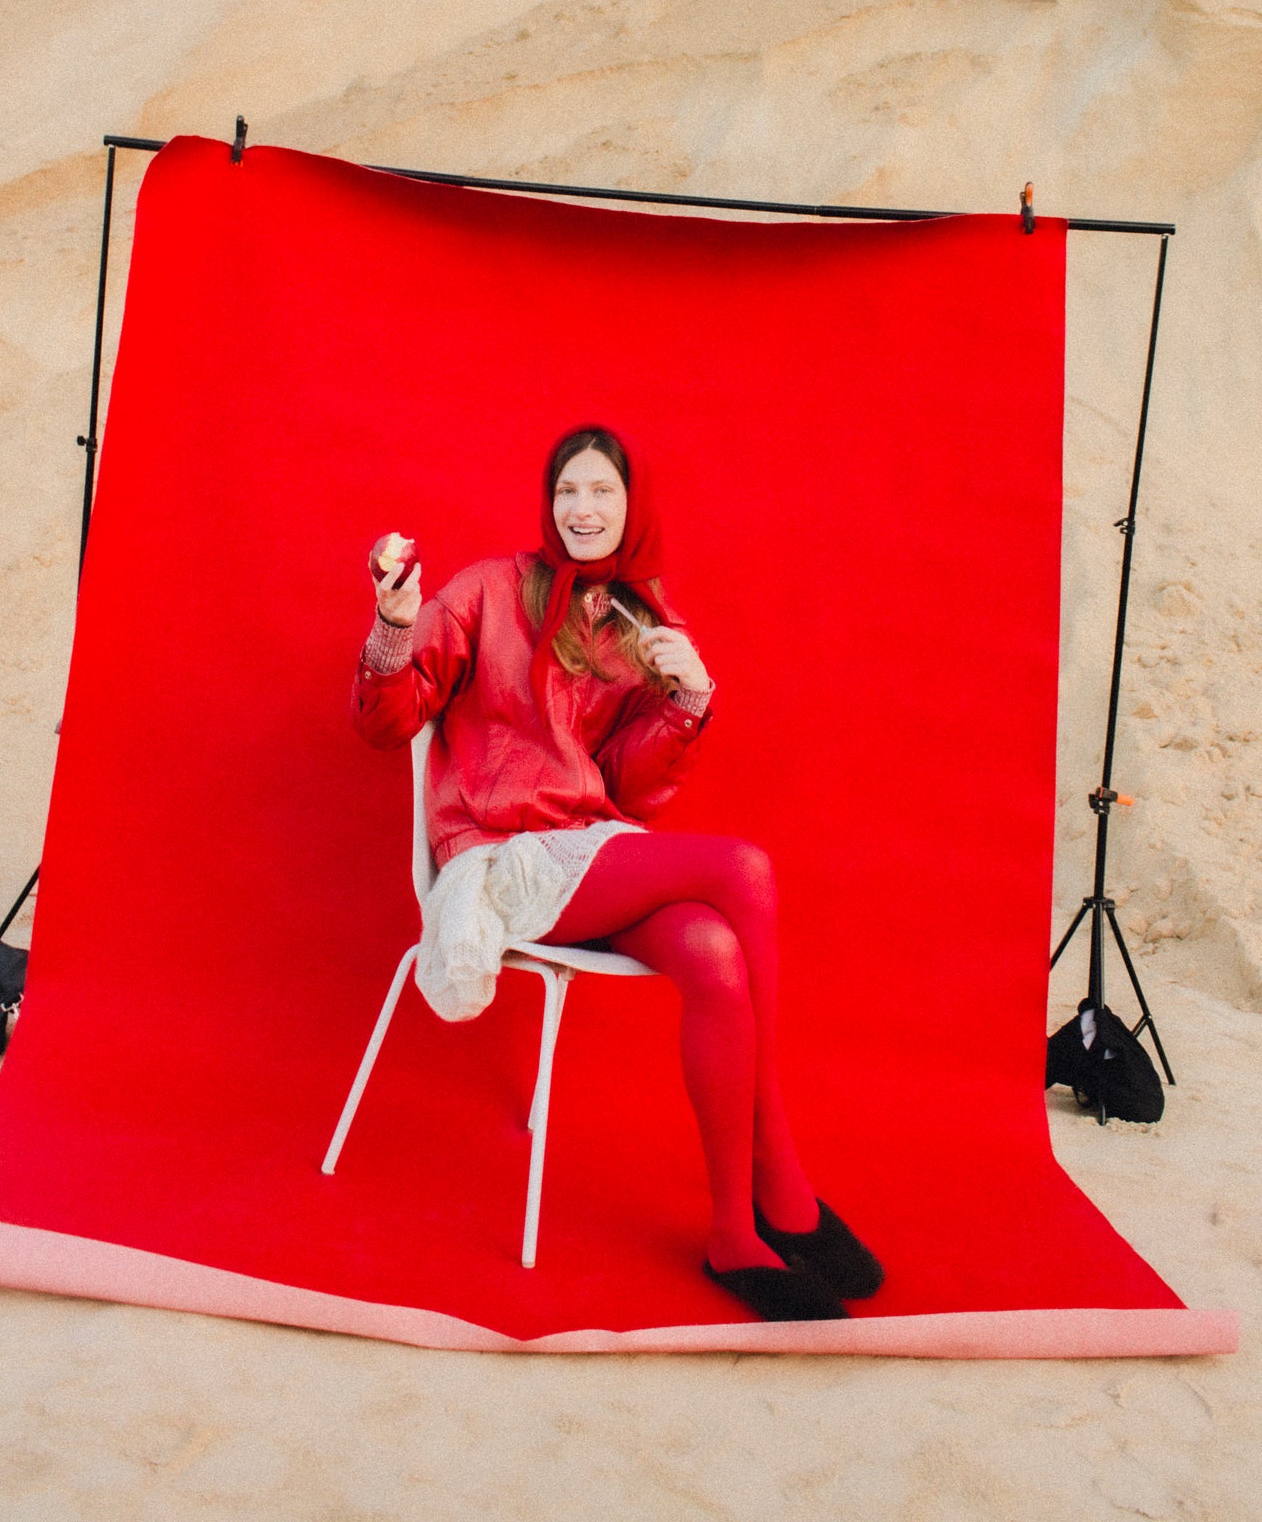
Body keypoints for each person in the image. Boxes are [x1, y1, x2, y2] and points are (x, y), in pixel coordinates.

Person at [352, 424, 882, 1323]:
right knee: (743, 869)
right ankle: (780, 1174)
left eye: (601, 493)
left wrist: (687, 704)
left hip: (590, 855)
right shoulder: (487, 590)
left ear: (630, 508)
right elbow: (385, 724)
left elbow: (633, 793)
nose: (582, 510)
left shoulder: (640, 621)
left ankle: (731, 1235)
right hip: (497, 862)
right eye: (567, 492)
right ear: (548, 504)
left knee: (712, 951)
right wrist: (394, 626)